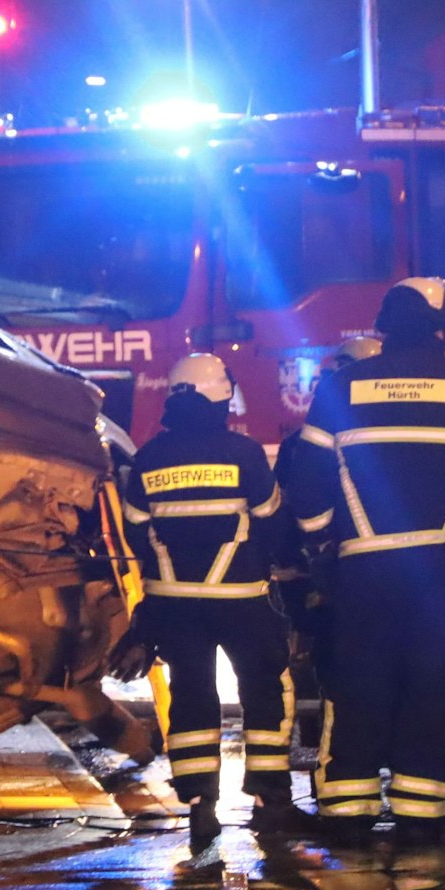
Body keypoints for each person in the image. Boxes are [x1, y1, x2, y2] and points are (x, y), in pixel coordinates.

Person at [284, 277, 445, 845]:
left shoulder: (342, 387)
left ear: (385, 325)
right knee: (434, 684)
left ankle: (349, 807)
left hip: (363, 569)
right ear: (440, 327)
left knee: (359, 683)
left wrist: (322, 545)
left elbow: (307, 487)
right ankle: (419, 809)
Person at [113, 354, 307, 851]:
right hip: (241, 598)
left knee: (191, 695)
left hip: (174, 604)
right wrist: (282, 562)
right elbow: (272, 520)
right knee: (265, 690)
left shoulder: (149, 457)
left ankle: (200, 803)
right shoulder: (243, 452)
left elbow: (135, 532)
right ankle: (269, 799)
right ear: (220, 396)